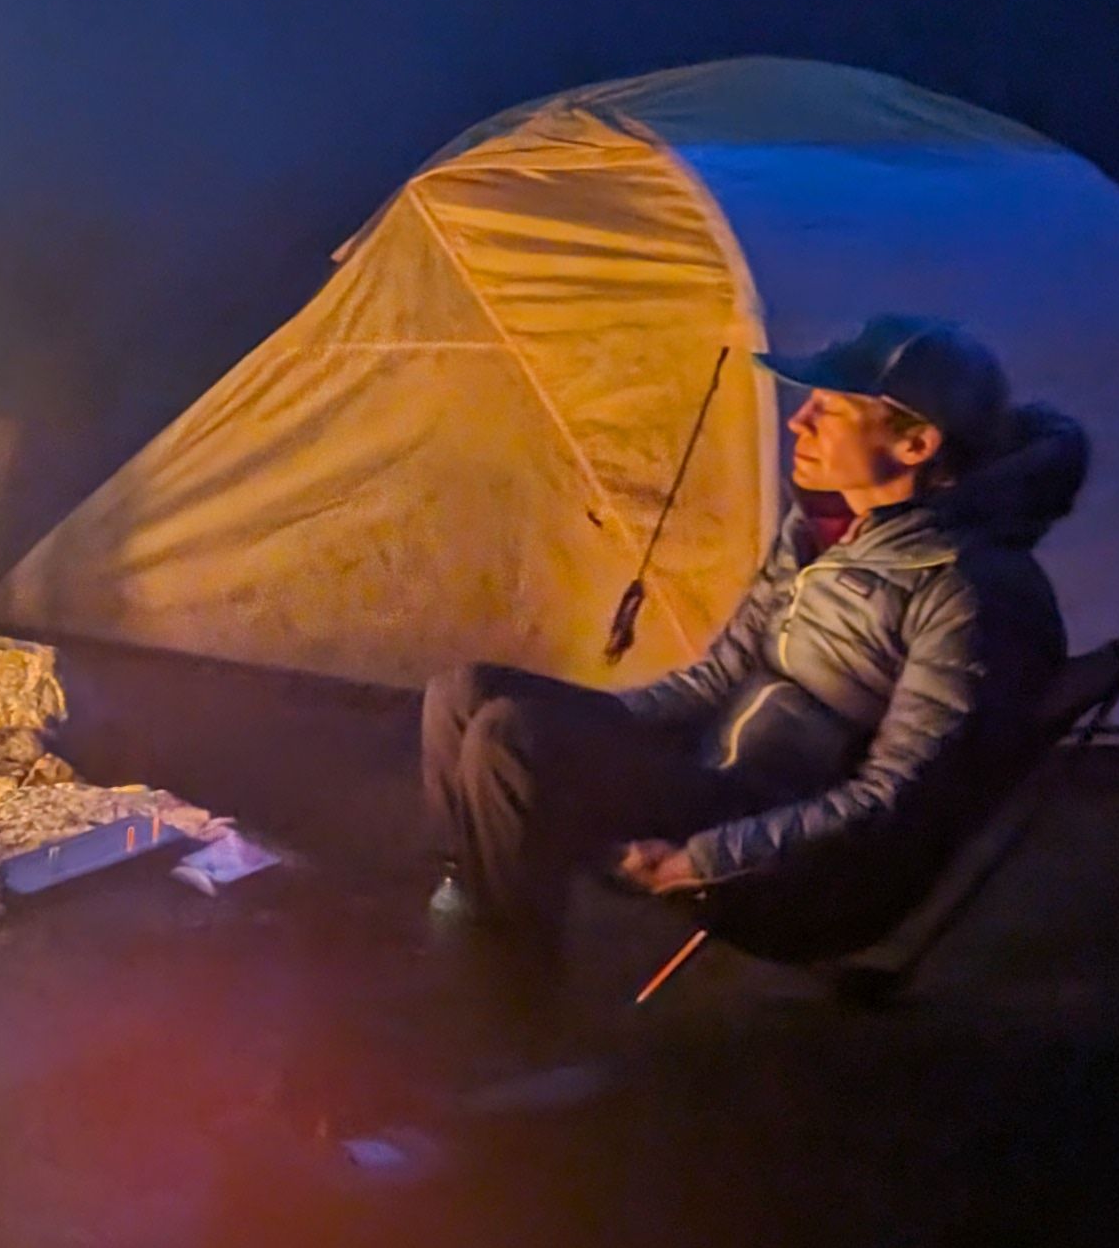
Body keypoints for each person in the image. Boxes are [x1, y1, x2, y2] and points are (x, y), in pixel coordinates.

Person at [421, 316, 1083, 969]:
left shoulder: (969, 592)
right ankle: (487, 908)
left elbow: (896, 801)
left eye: (831, 407)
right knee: (466, 691)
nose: (799, 421)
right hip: (716, 773)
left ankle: (509, 987)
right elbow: (722, 673)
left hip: (787, 845)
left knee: (515, 738)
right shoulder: (823, 529)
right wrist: (601, 726)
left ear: (916, 445)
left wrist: (702, 858)